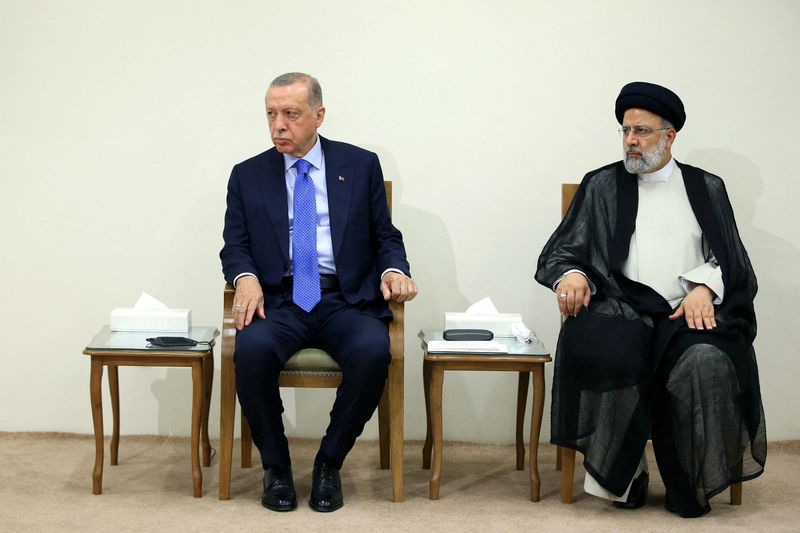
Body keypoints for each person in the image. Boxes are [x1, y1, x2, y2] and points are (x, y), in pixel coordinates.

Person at [535, 81, 766, 517]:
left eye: (641, 131)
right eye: (625, 131)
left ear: (669, 136)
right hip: (621, 307)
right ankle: (625, 477)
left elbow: (731, 260)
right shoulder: (601, 184)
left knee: (706, 360)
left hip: (686, 312)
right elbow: (566, 249)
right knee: (608, 349)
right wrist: (574, 275)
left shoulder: (706, 186)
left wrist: (703, 288)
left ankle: (690, 481)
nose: (631, 141)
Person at [220, 72, 417, 513]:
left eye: (290, 114)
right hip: (281, 299)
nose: (278, 126)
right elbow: (234, 246)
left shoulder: (360, 165)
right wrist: (245, 278)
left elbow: (385, 235)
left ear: (319, 115)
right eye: (271, 115)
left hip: (343, 299)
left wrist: (393, 270)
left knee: (372, 352)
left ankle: (329, 463)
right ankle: (277, 467)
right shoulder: (247, 176)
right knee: (248, 352)